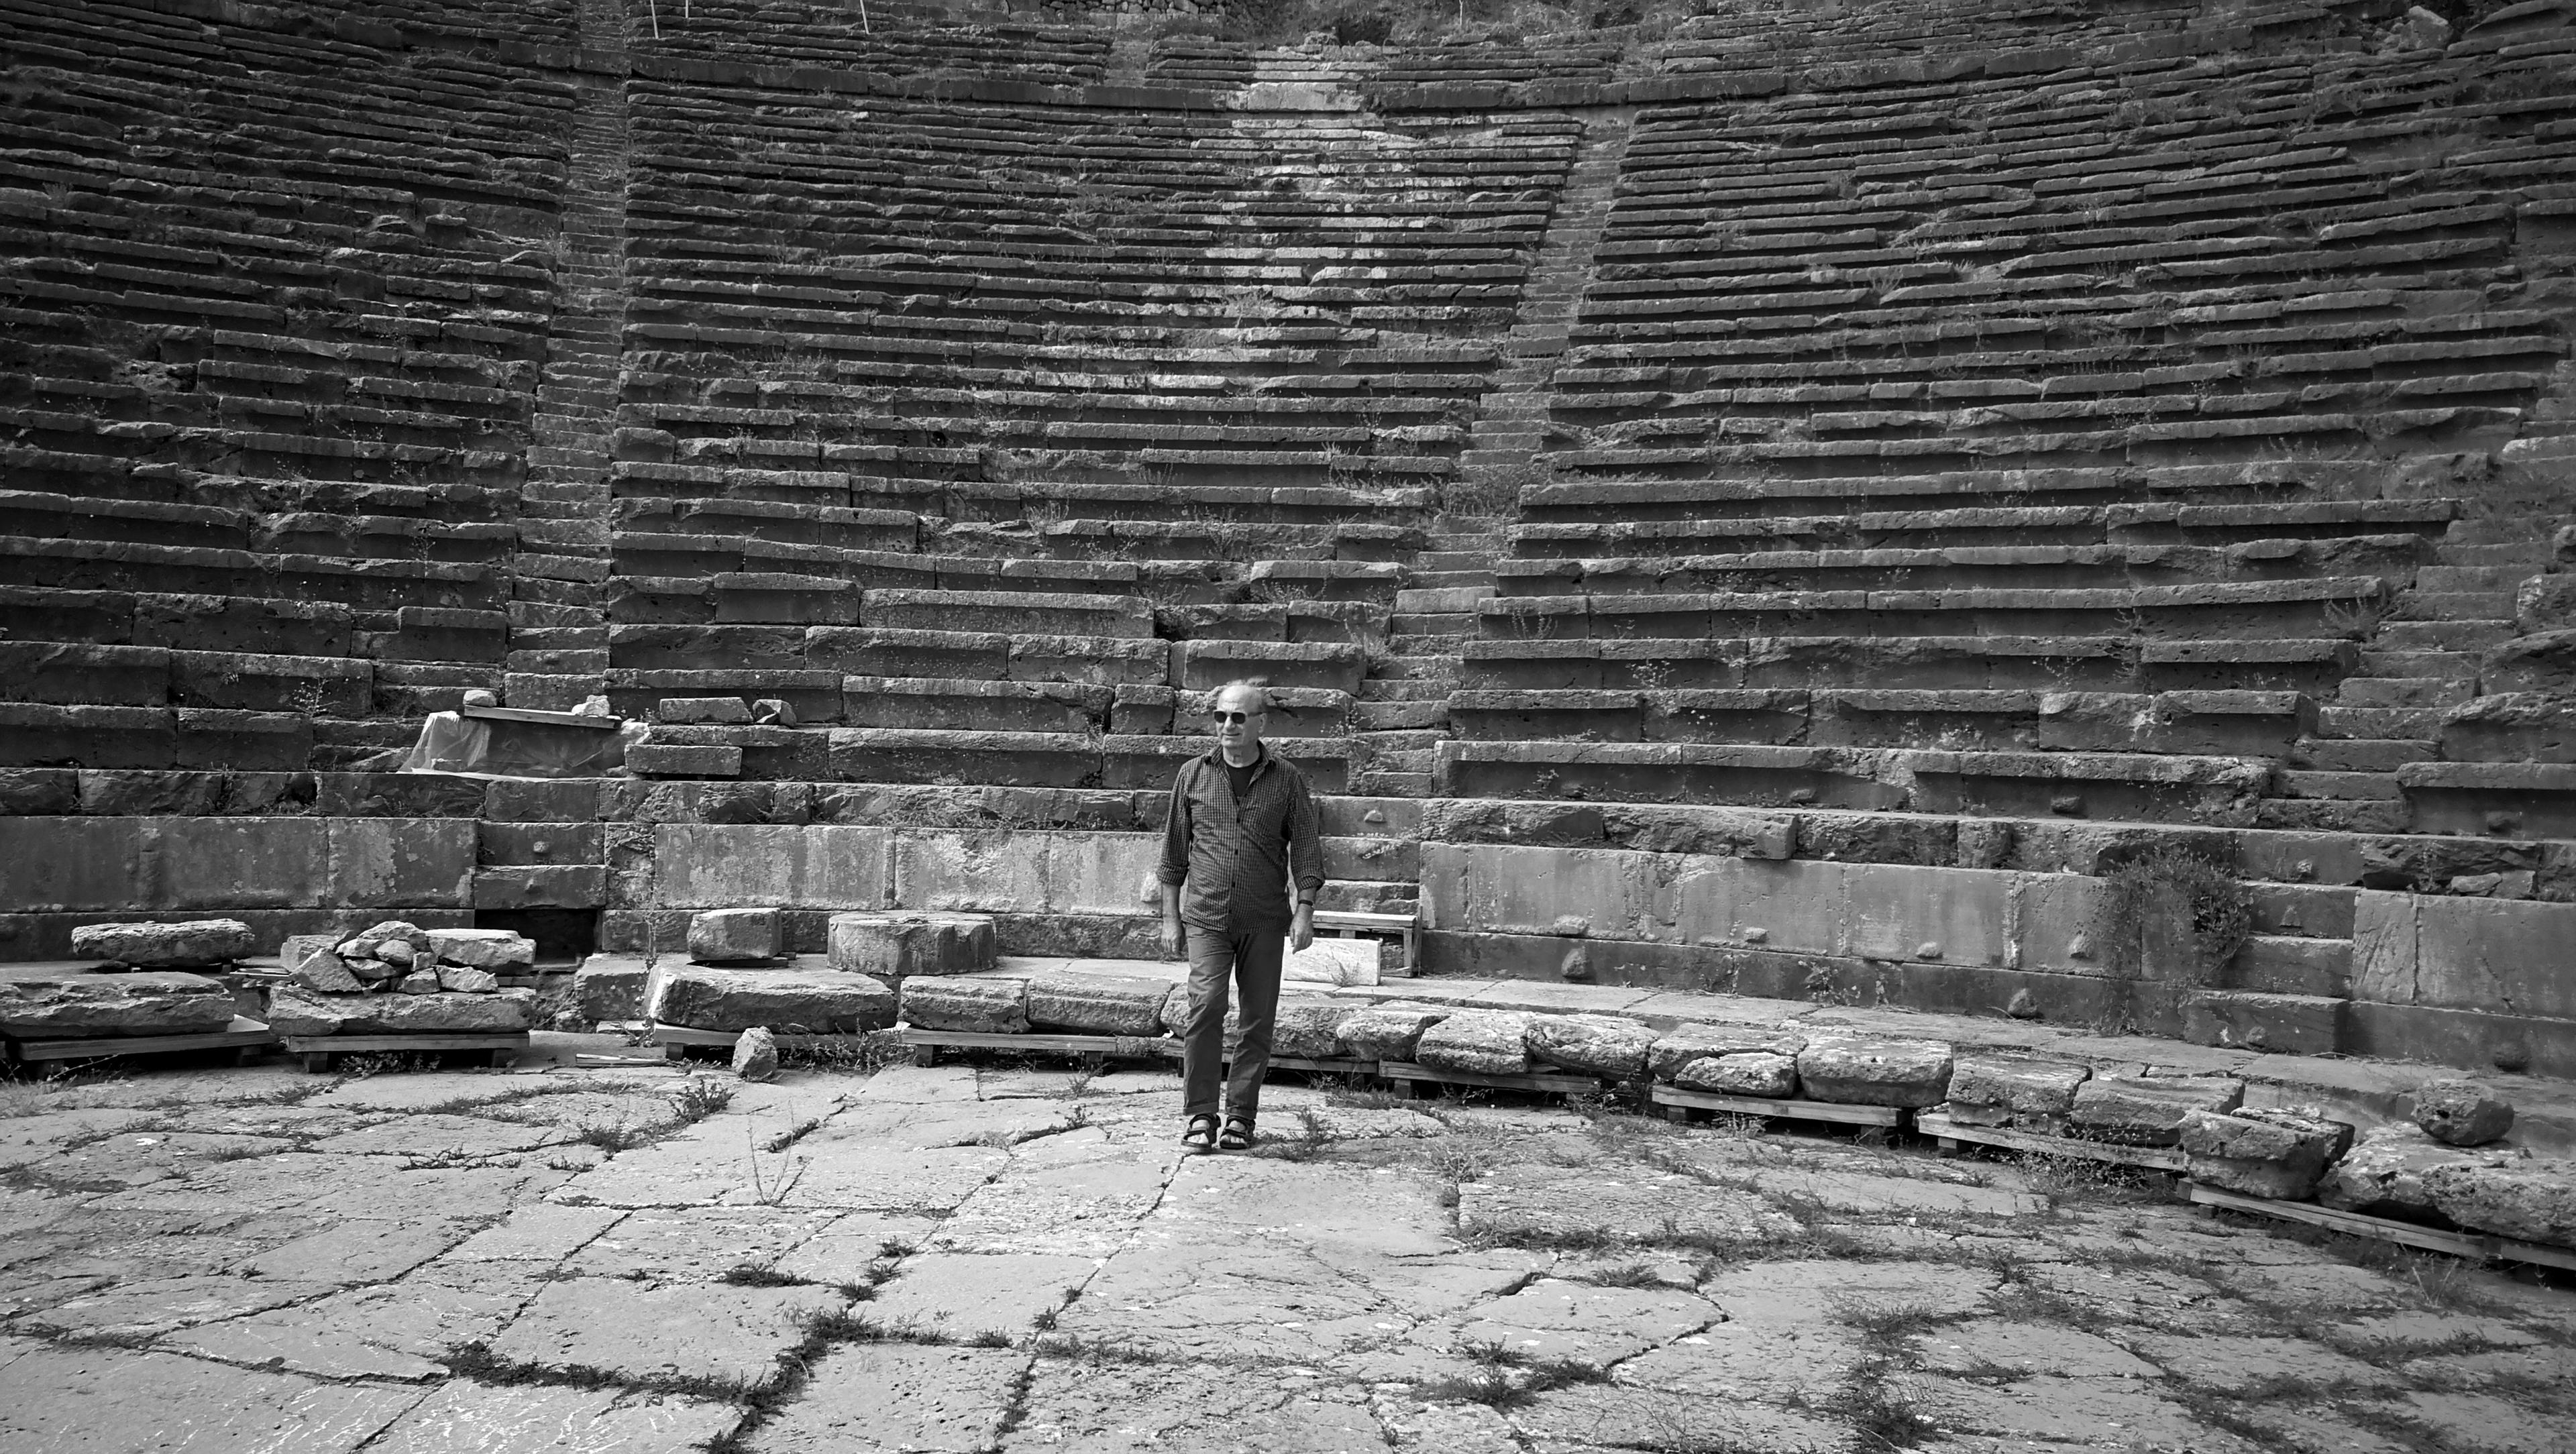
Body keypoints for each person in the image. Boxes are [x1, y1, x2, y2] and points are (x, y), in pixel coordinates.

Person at [1157, 680, 1323, 1154]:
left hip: (1266, 918)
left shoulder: (1287, 779)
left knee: (1257, 1020)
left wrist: (1305, 910)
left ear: (1260, 724)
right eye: (1220, 717)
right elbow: (1173, 854)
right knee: (1206, 1007)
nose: (1227, 726)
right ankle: (1200, 1114)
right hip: (1207, 915)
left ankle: (1241, 1117)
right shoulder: (1193, 774)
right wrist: (1170, 920)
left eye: (1237, 717)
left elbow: (1307, 851)